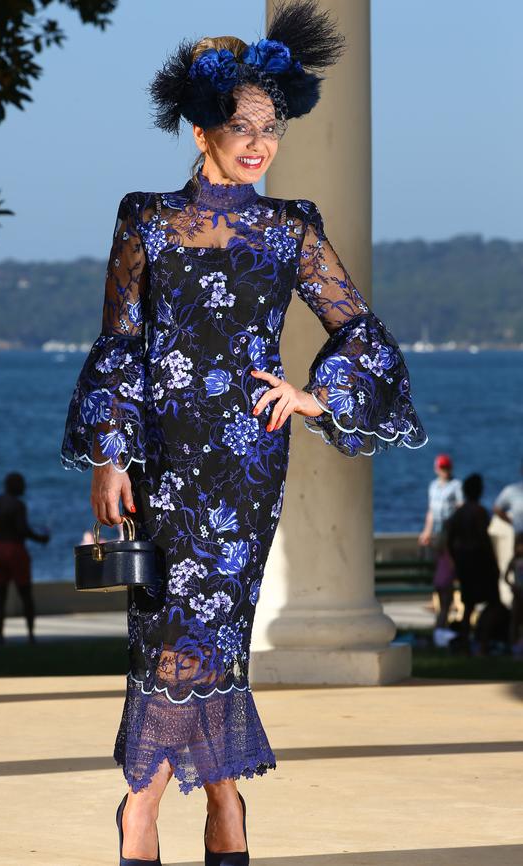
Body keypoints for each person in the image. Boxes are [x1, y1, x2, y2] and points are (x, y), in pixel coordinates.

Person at [60, 2, 428, 861]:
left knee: (217, 630)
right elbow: (118, 340)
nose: (260, 143)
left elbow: (362, 331)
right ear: (200, 130)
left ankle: (172, 805)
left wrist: (311, 395)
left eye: (273, 126)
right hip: (162, 457)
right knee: (164, 625)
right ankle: (193, 805)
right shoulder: (145, 216)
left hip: (246, 462)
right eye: (241, 126)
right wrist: (109, 453)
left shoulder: (289, 225)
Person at [0, 471, 50, 645]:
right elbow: (23, 530)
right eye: (22, 484)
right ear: (16, 486)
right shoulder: (18, 505)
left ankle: (0, 637)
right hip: (16, 549)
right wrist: (41, 539)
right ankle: (31, 636)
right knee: (25, 594)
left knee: (0, 595)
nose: (24, 487)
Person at [445, 473, 500, 654]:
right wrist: (493, 563)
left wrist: (457, 560)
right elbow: (484, 540)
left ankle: (465, 643)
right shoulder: (479, 511)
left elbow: (449, 540)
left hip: (464, 564)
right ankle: (482, 643)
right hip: (480, 563)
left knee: (468, 605)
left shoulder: (458, 514)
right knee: (493, 602)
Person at [419, 453, 463, 627]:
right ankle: (437, 600)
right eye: (441, 467)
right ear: (437, 468)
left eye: (446, 467)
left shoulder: (456, 485)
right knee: (438, 567)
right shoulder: (433, 486)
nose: (444, 471)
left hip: (449, 533)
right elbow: (431, 511)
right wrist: (426, 532)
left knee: (448, 568)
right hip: (436, 532)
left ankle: (449, 600)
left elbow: (459, 507)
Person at [503, 531, 523, 653]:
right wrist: (513, 586)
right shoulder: (514, 560)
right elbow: (505, 576)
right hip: (517, 594)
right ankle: (513, 644)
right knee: (515, 620)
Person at [494, 459, 523, 537]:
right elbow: (497, 508)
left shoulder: (511, 490)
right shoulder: (511, 491)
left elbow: (497, 508)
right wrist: (511, 522)